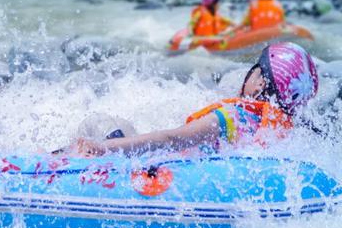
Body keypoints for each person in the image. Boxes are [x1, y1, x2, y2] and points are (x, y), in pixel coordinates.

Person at [74, 42, 318, 157]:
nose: (249, 73)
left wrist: (103, 149)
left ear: (261, 84)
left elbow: (172, 139)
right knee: (123, 125)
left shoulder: (230, 118)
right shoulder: (277, 131)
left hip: (158, 171)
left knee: (99, 121)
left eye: (255, 69)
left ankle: (53, 162)